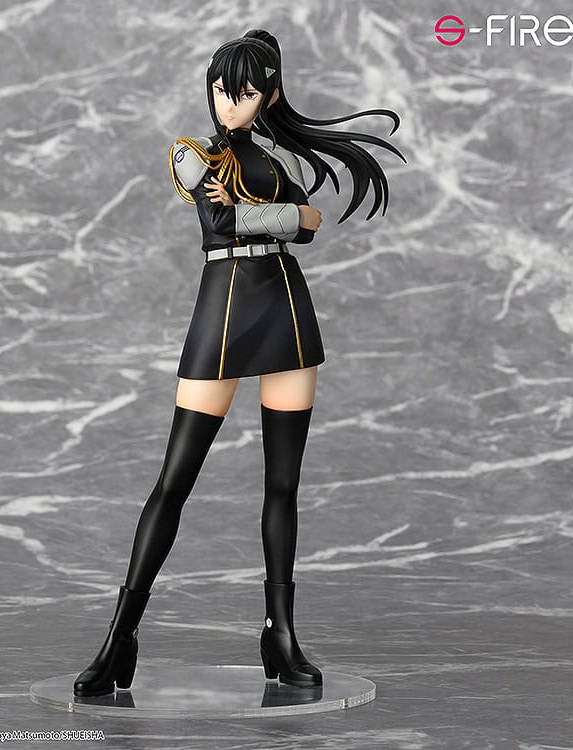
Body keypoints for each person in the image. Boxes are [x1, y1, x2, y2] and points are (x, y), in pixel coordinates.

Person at [73, 28, 406, 697]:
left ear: (269, 96)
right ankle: (119, 639)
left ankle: (281, 634)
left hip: (285, 310)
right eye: (222, 90)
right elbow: (225, 227)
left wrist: (280, 215)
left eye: (245, 93)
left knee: (283, 484)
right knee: (174, 481)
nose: (229, 103)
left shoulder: (270, 161)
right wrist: (285, 215)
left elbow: (310, 225)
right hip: (223, 311)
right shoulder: (194, 155)